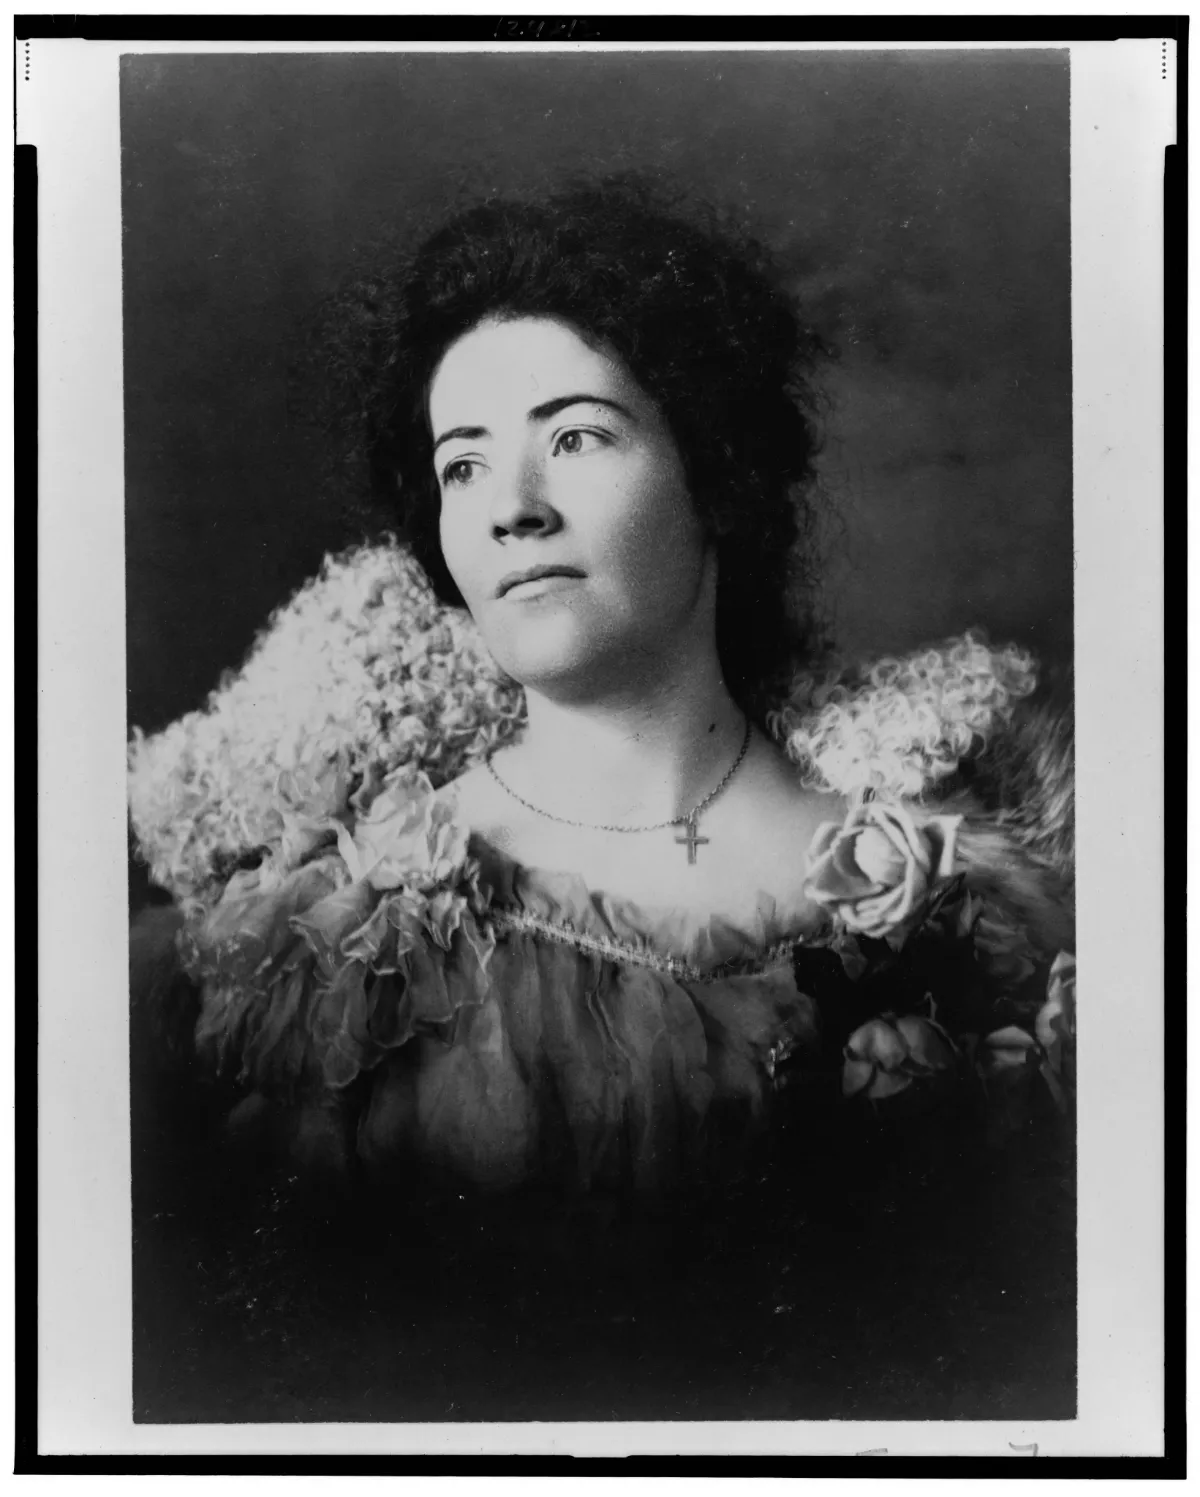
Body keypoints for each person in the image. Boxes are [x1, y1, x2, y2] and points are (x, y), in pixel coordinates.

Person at [129, 179, 1075, 1213]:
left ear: (717, 473)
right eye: (464, 467)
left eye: (574, 438)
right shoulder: (344, 936)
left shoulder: (946, 891)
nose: (511, 511)